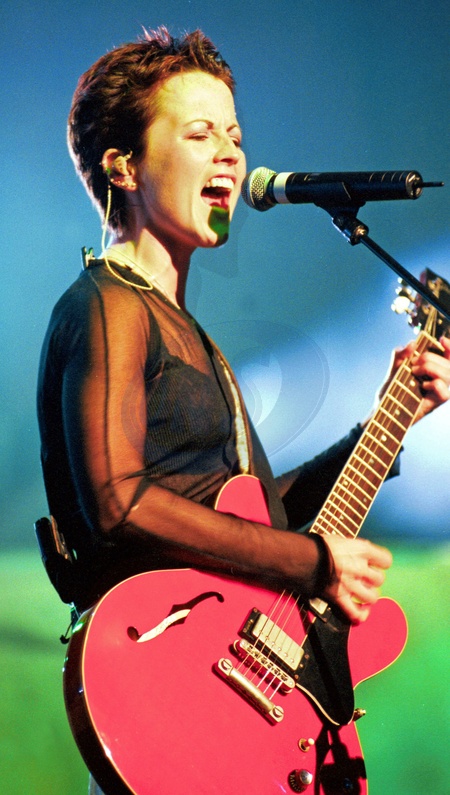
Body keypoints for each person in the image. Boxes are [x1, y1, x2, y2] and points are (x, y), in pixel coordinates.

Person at [36, 27, 450, 795]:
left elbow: (259, 516)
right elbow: (119, 504)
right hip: (169, 692)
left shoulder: (190, 334)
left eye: (234, 134)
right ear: (124, 167)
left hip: (228, 699)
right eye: (200, 134)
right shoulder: (109, 306)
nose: (230, 154)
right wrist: (316, 561)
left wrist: (389, 423)